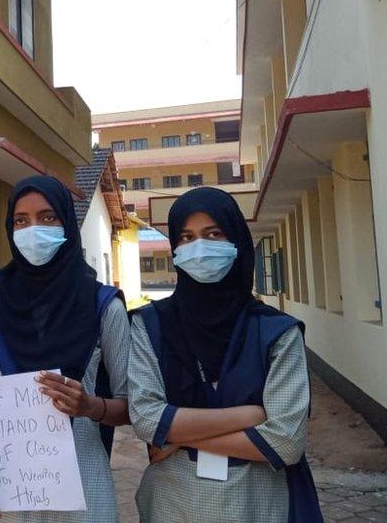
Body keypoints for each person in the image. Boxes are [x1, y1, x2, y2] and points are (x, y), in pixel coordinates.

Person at [127, 187, 323, 522]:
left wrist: (179, 436)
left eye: (213, 234)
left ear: (237, 242)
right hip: (174, 504)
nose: (199, 248)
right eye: (186, 237)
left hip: (257, 503)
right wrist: (250, 416)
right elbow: (145, 419)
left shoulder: (277, 331)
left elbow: (286, 443)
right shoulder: (151, 325)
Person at [0, 175, 131, 522]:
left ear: (67, 223)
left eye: (47, 217)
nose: (32, 229)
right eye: (20, 220)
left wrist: (91, 406)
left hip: (86, 489)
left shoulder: (104, 307)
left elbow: (134, 407)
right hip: (14, 488)